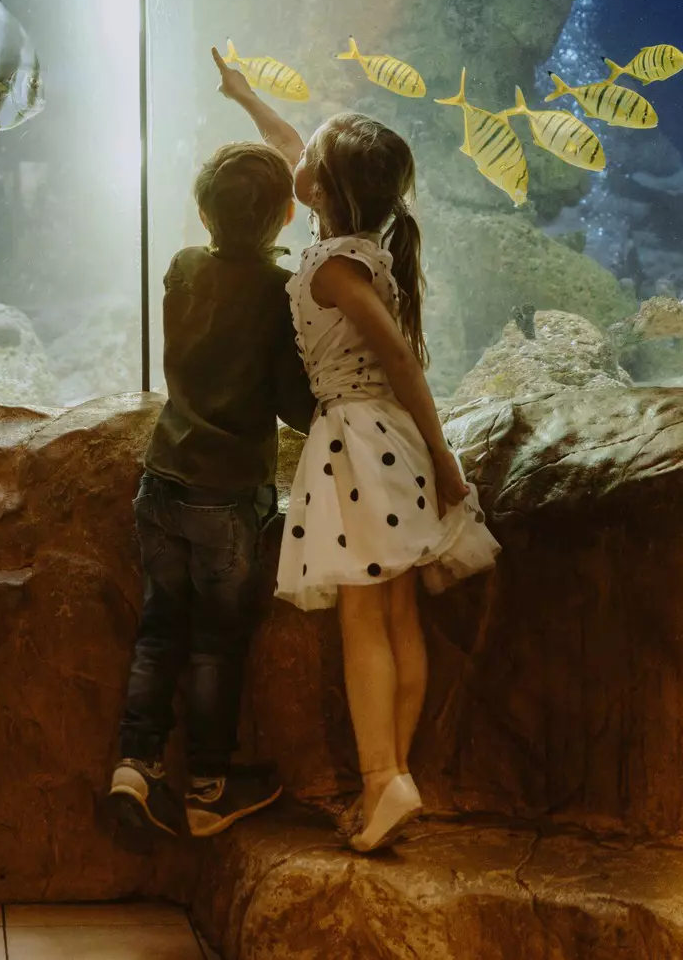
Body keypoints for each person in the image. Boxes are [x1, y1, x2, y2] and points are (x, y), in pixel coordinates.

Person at [215, 46, 499, 853]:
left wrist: (448, 464)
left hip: (359, 441)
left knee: (362, 621)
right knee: (401, 613)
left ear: (324, 192)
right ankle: (397, 776)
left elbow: (403, 360)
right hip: (390, 443)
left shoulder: (336, 268)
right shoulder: (360, 245)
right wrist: (245, 98)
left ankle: (382, 781)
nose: (296, 159)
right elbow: (293, 146)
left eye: (311, 160)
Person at [107, 62, 319, 840]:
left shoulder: (184, 269)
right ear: (289, 216)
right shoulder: (279, 292)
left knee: (159, 627)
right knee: (214, 644)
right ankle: (207, 784)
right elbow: (291, 400)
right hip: (228, 497)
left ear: (201, 211)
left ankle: (134, 765)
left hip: (161, 478)